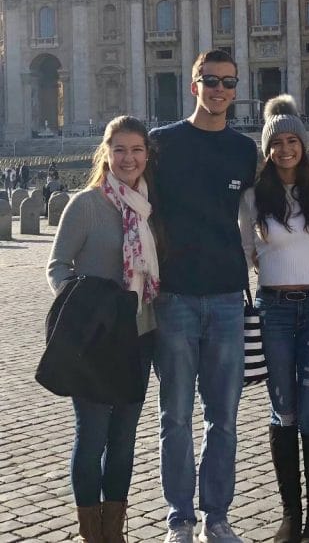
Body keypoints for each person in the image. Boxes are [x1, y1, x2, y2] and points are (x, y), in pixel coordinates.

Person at [151, 50, 257, 543]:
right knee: (174, 416)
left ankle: (217, 514)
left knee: (225, 418)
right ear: (194, 85)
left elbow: (258, 216)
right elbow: (134, 205)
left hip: (226, 299)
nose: (218, 89)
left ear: (236, 90)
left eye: (227, 82)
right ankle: (180, 518)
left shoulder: (243, 149)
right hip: (173, 296)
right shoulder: (161, 144)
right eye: (210, 80)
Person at [46, 115, 159, 543]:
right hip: (95, 340)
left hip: (140, 334)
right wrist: (85, 306)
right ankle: (92, 533)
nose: (128, 158)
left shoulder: (148, 205)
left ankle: (114, 529)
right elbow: (57, 266)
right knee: (92, 435)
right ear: (106, 154)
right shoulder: (86, 204)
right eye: (120, 150)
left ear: (147, 155)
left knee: (125, 437)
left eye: (136, 150)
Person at [239, 95, 309, 543]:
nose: (285, 149)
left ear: (303, 144)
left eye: (292, 140)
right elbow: (245, 254)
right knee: (285, 413)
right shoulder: (254, 198)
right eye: (276, 142)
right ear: (267, 149)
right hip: (274, 310)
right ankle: (290, 515)